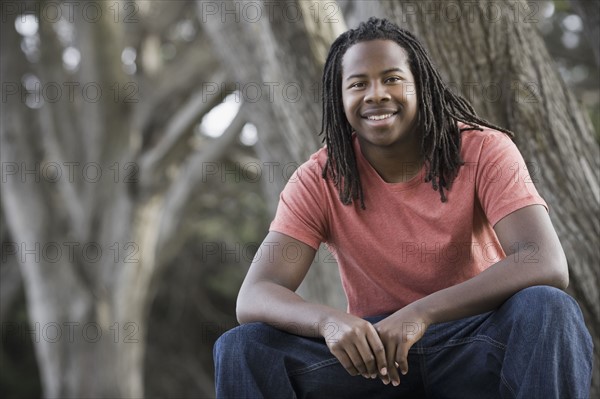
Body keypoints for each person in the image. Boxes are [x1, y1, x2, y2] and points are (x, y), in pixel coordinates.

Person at [213, 17, 593, 398]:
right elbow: (256, 293)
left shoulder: (483, 151)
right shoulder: (320, 178)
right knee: (242, 347)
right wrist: (328, 322)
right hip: (376, 358)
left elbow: (543, 260)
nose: (376, 94)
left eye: (392, 78)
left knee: (549, 309)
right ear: (338, 97)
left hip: (475, 339)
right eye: (358, 84)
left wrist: (421, 313)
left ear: (420, 86)